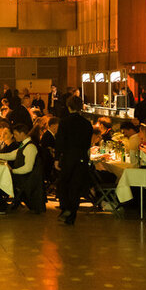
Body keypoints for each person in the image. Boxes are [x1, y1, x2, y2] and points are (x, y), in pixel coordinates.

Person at [54, 96, 93, 225]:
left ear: (69, 106)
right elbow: (88, 143)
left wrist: (56, 158)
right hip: (81, 156)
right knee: (76, 186)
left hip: (68, 157)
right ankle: (72, 213)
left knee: (64, 183)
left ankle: (65, 207)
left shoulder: (64, 122)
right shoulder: (87, 123)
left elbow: (59, 141)